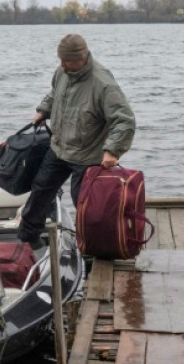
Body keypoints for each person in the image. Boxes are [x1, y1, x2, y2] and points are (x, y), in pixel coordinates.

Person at [17, 33, 136, 250]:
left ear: (81, 58)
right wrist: (43, 110)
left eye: (67, 60)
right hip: (59, 147)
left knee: (86, 206)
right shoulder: (62, 72)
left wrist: (113, 150)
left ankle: (90, 249)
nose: (62, 64)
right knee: (40, 189)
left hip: (88, 155)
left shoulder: (103, 84)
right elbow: (55, 94)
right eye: (60, 59)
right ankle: (28, 237)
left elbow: (124, 120)